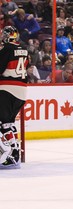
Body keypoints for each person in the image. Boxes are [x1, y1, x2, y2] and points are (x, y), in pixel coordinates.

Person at [0, 26, 29, 169]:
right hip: (22, 91)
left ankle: (14, 152)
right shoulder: (24, 50)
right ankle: (15, 149)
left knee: (3, 122)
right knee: (9, 122)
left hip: (7, 89)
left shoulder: (6, 50)